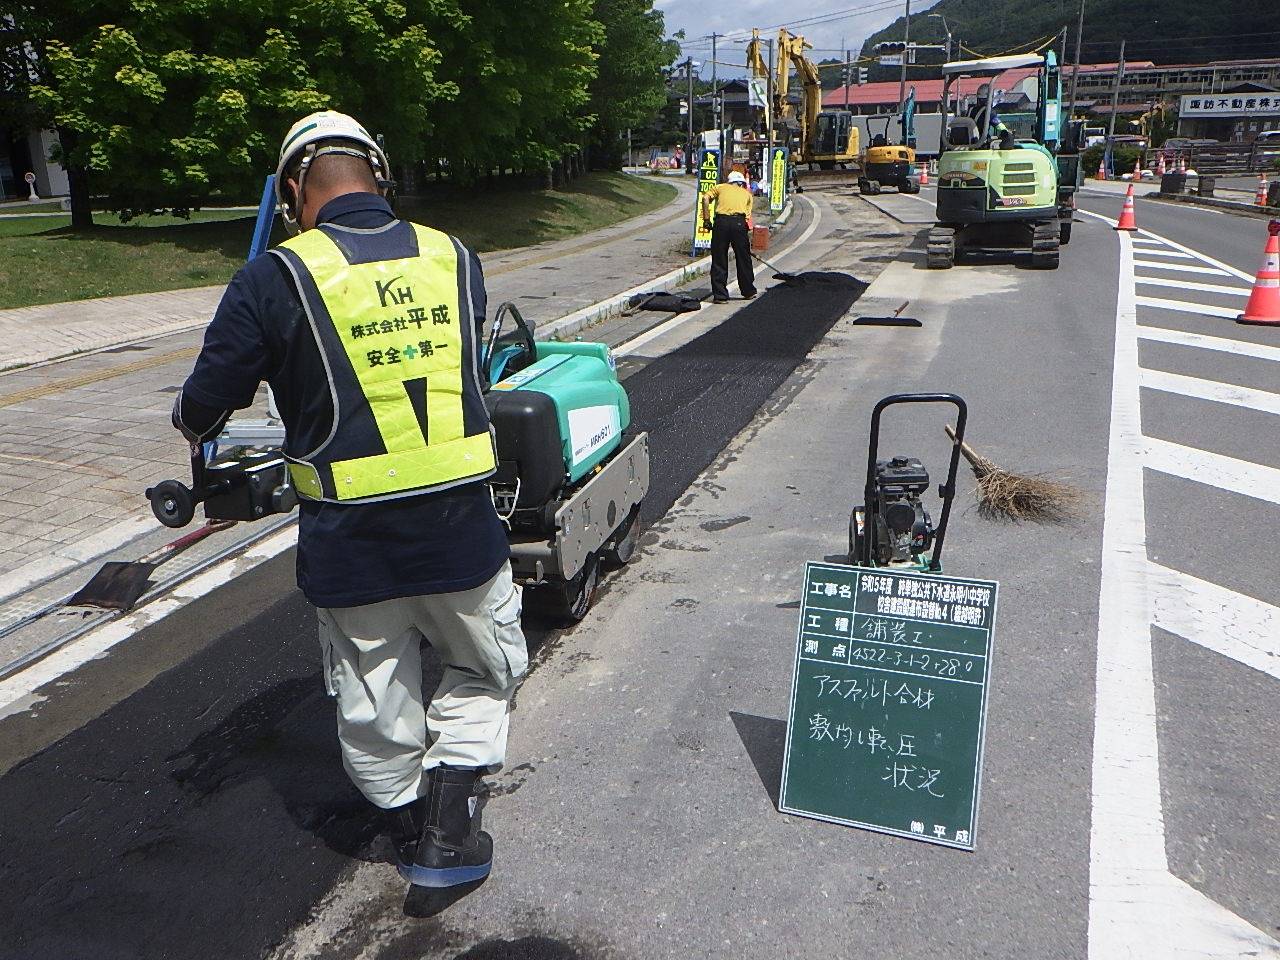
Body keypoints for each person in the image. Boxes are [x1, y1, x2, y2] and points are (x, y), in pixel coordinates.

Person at [171, 110, 528, 889]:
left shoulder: (274, 276)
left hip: (349, 547)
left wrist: (193, 425)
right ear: (380, 172)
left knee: (374, 693)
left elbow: (207, 401)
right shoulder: (455, 257)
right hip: (460, 534)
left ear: (293, 188)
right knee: (480, 667)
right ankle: (451, 830)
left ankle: (404, 827)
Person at [700, 170, 757, 303]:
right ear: (741, 183)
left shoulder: (720, 187)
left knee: (719, 258)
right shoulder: (747, 194)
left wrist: (707, 219)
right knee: (744, 258)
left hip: (721, 223)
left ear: (729, 182)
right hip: (739, 222)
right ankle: (748, 291)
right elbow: (748, 219)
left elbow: (705, 198)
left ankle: (720, 295)